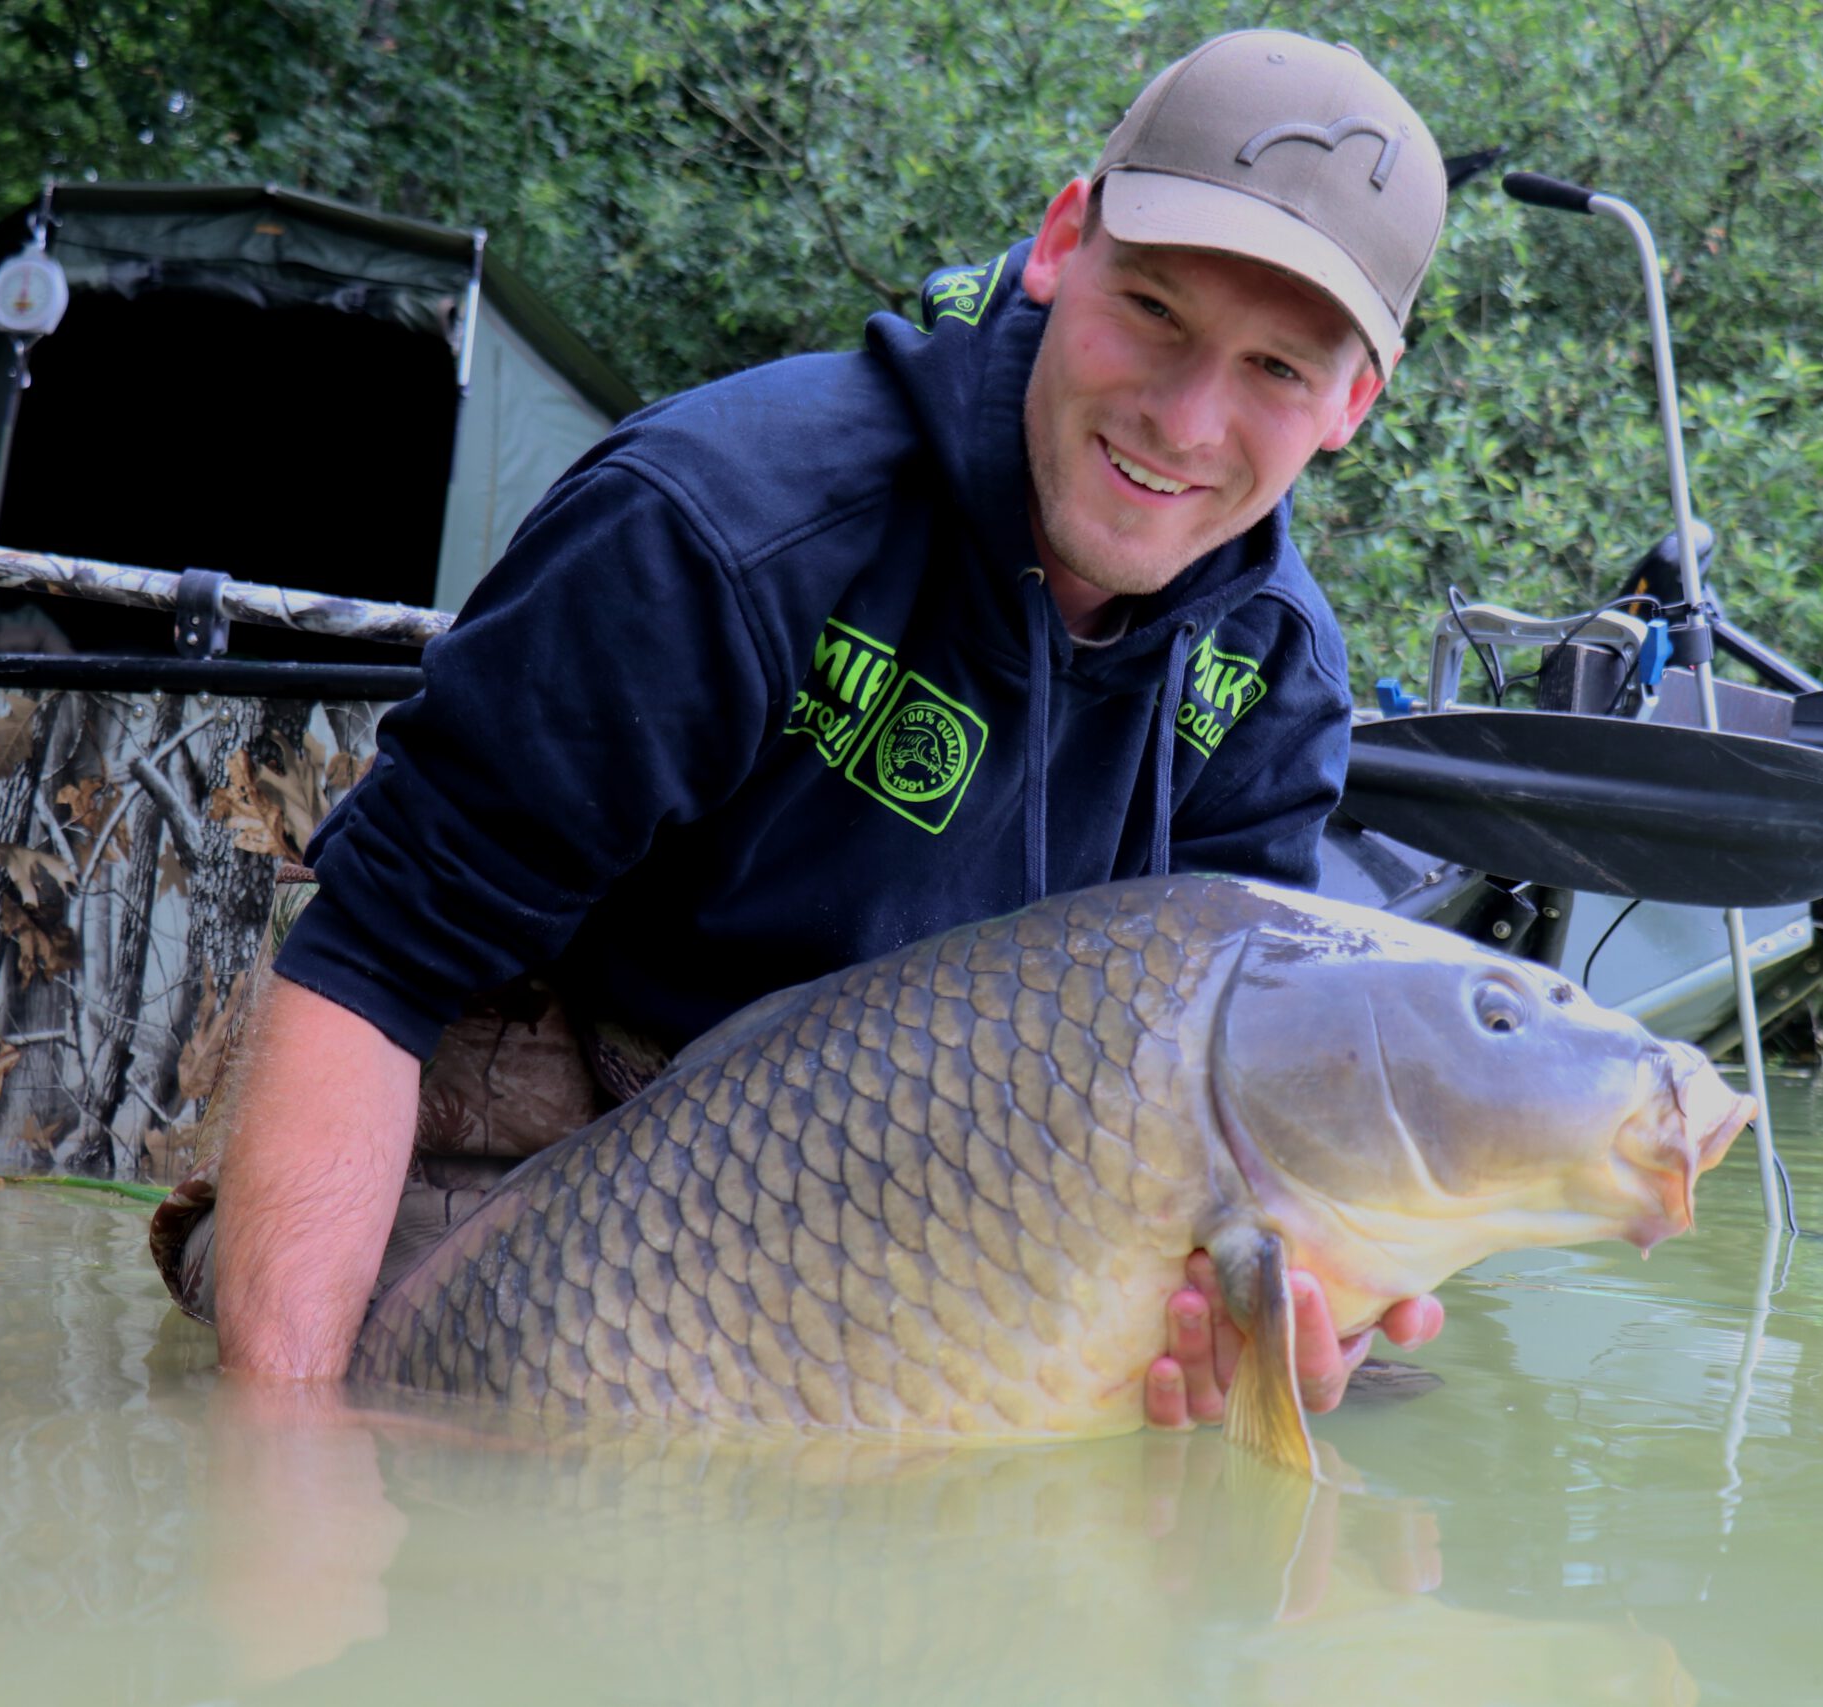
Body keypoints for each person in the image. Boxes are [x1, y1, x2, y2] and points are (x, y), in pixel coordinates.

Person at [185, 29, 1454, 1427]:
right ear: (1060, 241)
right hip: (554, 1101)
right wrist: (280, 1468)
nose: (1186, 418)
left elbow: (1218, 1131)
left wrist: (1241, 1335)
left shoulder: (1274, 677)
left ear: (1352, 404)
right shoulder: (722, 524)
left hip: (948, 1170)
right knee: (441, 1423)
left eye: (1276, 368)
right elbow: (372, 968)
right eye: (1152, 310)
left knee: (1362, 1391)